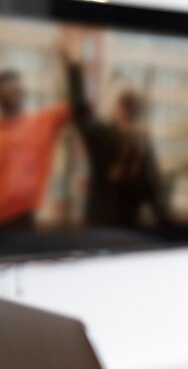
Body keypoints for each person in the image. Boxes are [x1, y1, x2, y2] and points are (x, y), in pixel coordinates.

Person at [63, 38, 172, 229]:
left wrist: (73, 67)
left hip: (98, 232)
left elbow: (80, 111)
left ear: (119, 109)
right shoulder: (144, 148)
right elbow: (157, 200)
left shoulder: (104, 137)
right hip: (129, 235)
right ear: (138, 113)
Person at [0, 68, 71, 231]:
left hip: (22, 219)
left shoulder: (40, 123)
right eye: (8, 90)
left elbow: (77, 107)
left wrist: (71, 65)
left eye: (16, 90)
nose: (13, 94)